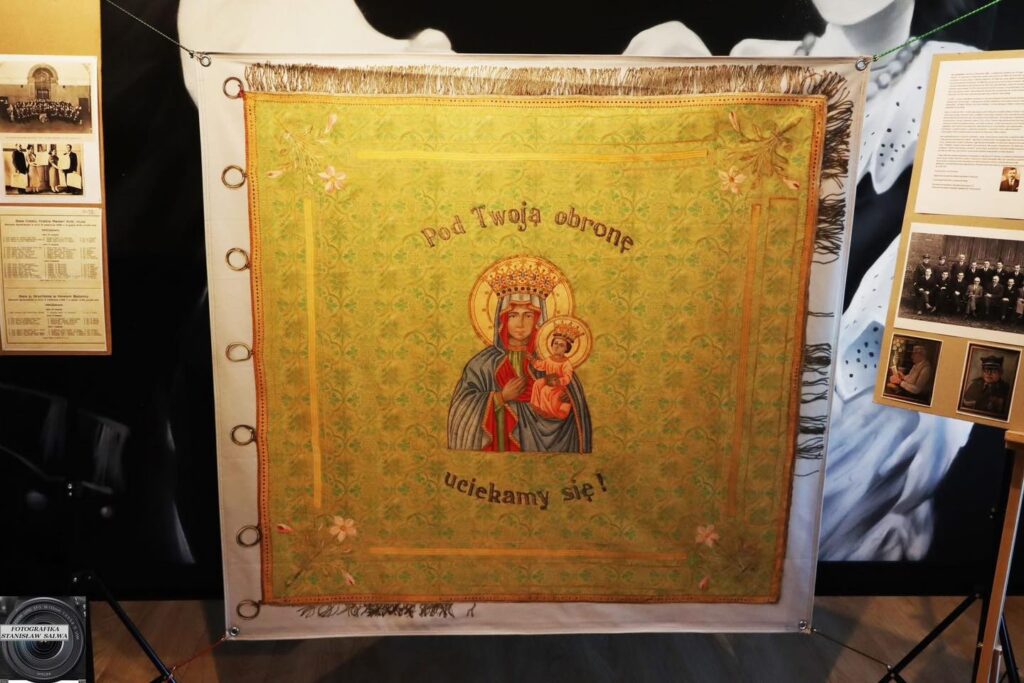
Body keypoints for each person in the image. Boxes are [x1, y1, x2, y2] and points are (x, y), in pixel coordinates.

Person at [448, 257, 591, 453]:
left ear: (539, 320)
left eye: (528, 315)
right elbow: (461, 408)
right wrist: (500, 397)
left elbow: (575, 416)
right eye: (513, 315)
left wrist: (564, 400)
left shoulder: (551, 361)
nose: (520, 323)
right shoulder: (483, 364)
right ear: (502, 319)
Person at [529, 326, 581, 421]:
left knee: (545, 390)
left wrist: (558, 381)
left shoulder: (566, 363)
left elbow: (567, 377)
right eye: (555, 343)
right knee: (537, 383)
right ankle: (536, 405)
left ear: (566, 349)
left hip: (558, 386)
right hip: (548, 380)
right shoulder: (549, 359)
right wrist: (532, 360)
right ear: (552, 345)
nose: (557, 346)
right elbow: (541, 365)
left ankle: (546, 411)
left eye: (561, 345)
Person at [961, 355, 1012, 419]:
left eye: (993, 371)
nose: (989, 374)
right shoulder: (975, 384)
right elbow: (965, 403)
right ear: (982, 372)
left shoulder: (1005, 388)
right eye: (986, 370)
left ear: (1000, 373)